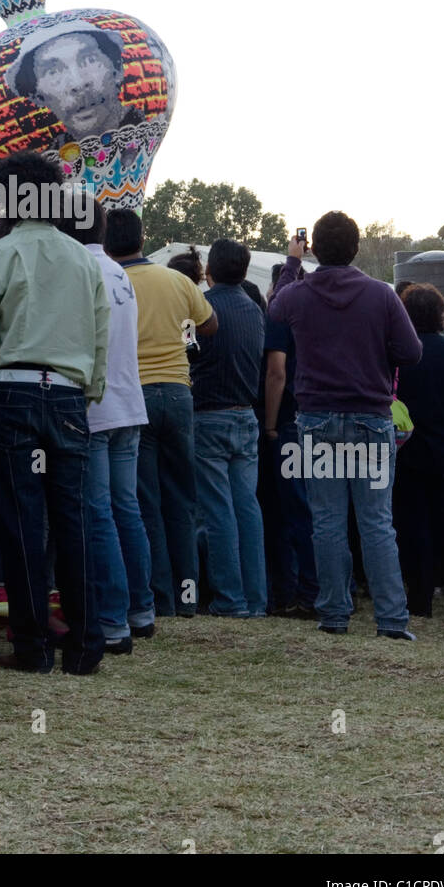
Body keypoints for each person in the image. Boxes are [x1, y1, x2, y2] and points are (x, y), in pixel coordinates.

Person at [0, 152, 109, 675]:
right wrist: (86, 392)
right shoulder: (82, 259)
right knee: (72, 519)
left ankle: (32, 647)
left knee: (19, 521)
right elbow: (99, 336)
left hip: (10, 394)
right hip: (68, 397)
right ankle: (85, 645)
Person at [268, 214, 422, 639]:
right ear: (356, 248)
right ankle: (391, 620)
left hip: (316, 419)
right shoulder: (381, 295)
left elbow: (274, 308)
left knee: (327, 520)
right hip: (371, 419)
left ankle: (334, 613)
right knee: (375, 522)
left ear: (314, 246)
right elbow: (411, 352)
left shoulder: (298, 293)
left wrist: (292, 264)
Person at [105, 208, 217, 617]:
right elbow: (210, 325)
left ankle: (161, 599)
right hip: (179, 393)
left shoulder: (112, 282)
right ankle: (188, 597)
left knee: (144, 503)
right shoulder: (177, 280)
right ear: (141, 237)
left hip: (135, 398)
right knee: (183, 501)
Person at [61, 195, 154, 652]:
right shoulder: (119, 272)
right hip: (127, 402)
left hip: (94, 409)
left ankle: (112, 621)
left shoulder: (77, 269)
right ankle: (140, 610)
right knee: (126, 508)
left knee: (98, 513)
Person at [190, 240, 267, 617]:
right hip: (246, 416)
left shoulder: (202, 309)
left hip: (208, 416)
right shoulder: (254, 310)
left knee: (217, 511)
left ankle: (229, 599)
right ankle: (256, 599)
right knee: (247, 508)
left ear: (210, 271)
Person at [393, 285, 444, 619]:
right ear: (441, 315)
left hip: (410, 452)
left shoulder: (398, 356)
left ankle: (420, 601)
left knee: (415, 529)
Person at [262, 261, 318, 618]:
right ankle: (334, 588)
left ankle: (306, 593)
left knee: (296, 512)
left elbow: (277, 373)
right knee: (324, 511)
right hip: (322, 418)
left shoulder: (281, 317)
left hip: (291, 422)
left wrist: (269, 425)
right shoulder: (321, 317)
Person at [7, 22, 138, 144]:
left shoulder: (145, 123)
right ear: (37, 97)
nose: (78, 84)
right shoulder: (52, 156)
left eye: (89, 60)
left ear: (118, 69)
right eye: (52, 72)